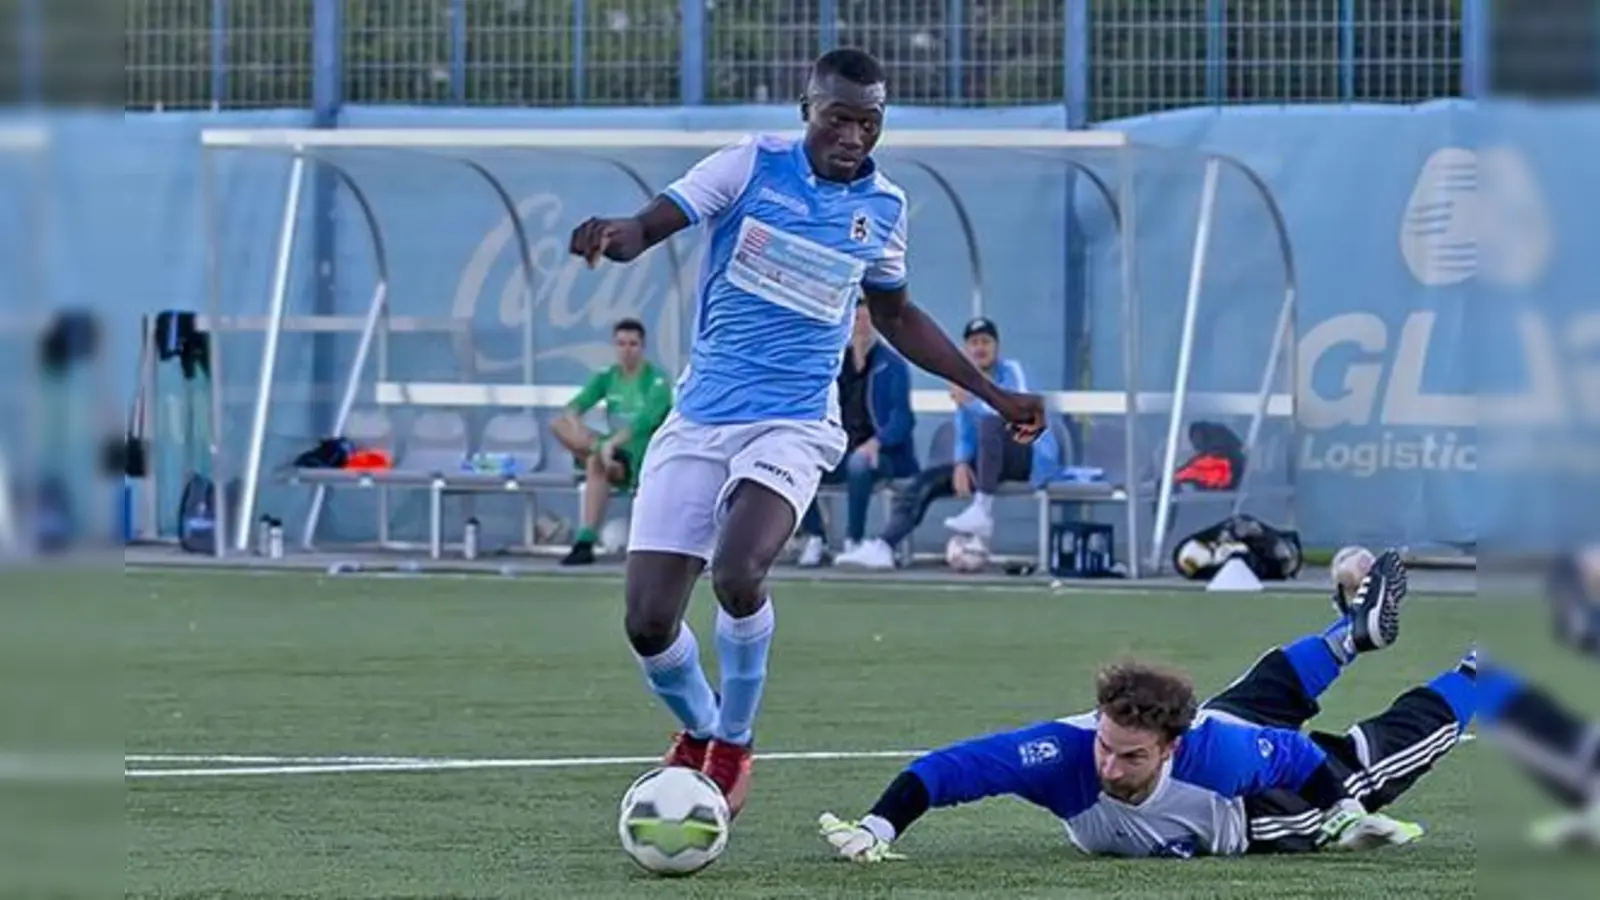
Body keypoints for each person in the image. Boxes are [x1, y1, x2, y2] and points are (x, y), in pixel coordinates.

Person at [565, 47, 1046, 817]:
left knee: (736, 571)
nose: (854, 136)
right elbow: (656, 220)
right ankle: (700, 727)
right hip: (700, 420)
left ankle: (735, 742)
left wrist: (991, 393)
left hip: (793, 422)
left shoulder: (884, 207)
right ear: (807, 111)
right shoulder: (747, 166)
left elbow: (894, 314)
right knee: (649, 621)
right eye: (839, 119)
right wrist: (620, 234)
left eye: (870, 123)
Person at [819, 550, 1479, 860]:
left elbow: (1302, 757)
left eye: (1130, 756)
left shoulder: (1217, 755)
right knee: (1261, 689)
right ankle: (1348, 636)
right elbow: (947, 770)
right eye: (1107, 745)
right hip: (1228, 723)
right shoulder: (1067, 754)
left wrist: (1342, 814)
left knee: (1374, 755)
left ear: (1171, 745)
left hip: (1252, 815)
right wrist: (878, 827)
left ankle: (1487, 677)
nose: (1108, 767)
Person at [835, 317, 1062, 569]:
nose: (980, 348)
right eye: (973, 343)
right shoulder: (967, 382)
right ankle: (885, 546)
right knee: (926, 482)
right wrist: (961, 463)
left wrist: (971, 403)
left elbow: (1018, 416)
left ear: (997, 346)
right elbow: (964, 432)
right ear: (966, 350)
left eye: (985, 342)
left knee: (990, 425)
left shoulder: (1014, 372)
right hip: (989, 463)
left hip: (1028, 455)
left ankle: (982, 510)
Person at [795, 299, 918, 567]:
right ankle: (815, 536)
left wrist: (878, 442)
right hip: (840, 449)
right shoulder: (835, 364)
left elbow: (903, 418)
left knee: (859, 462)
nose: (861, 327)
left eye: (866, 320)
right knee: (799, 464)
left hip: (884, 457)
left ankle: (855, 540)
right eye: (855, 320)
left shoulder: (891, 364)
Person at [549, 319, 673, 566]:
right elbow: (574, 406)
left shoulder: (656, 380)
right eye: (621, 344)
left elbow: (645, 421)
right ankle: (601, 458)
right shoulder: (608, 376)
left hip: (641, 455)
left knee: (596, 462)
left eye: (633, 344)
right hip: (609, 452)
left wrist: (609, 444)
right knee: (559, 424)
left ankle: (585, 540)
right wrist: (580, 428)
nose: (627, 350)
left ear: (642, 347)